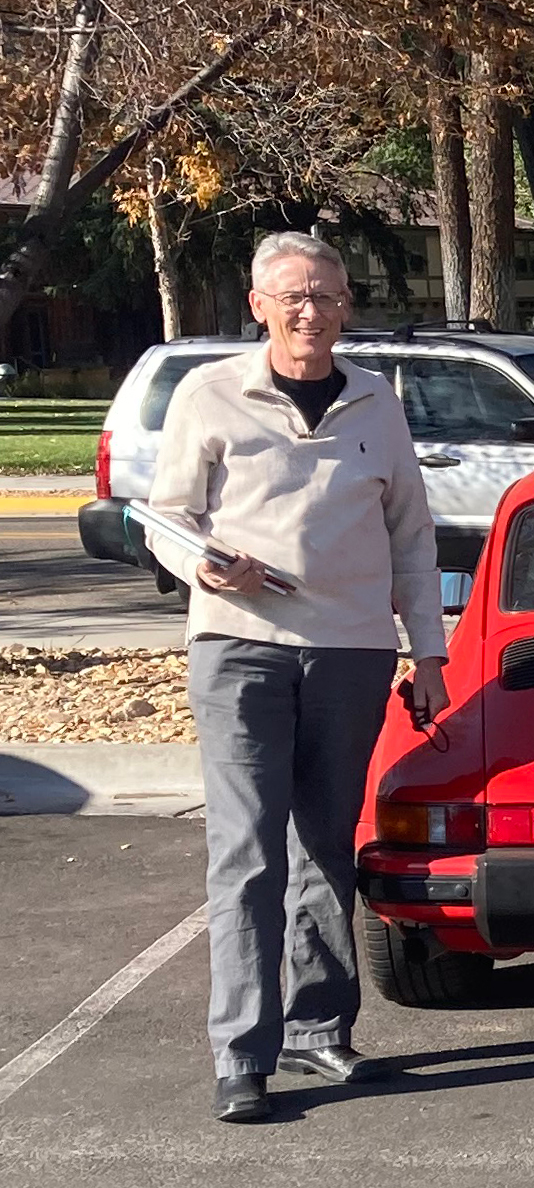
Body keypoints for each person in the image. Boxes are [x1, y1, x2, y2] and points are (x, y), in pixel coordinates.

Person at [147, 231, 447, 1122]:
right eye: (292, 296)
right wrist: (206, 564)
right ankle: (242, 1052)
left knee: (326, 843)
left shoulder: (376, 404)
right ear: (258, 306)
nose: (310, 311)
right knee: (246, 852)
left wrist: (426, 653)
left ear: (346, 306)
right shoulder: (210, 396)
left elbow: (412, 539)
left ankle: (320, 1029)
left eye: (325, 295)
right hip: (239, 645)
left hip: (350, 650)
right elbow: (165, 517)